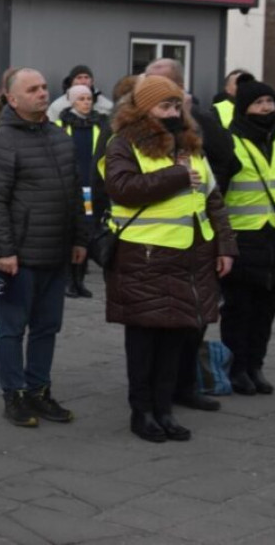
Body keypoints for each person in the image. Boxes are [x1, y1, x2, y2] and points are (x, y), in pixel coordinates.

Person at [103, 75, 235, 442]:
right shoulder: (123, 144)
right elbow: (122, 189)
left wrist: (225, 246)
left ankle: (164, 410)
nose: (173, 112)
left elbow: (213, 201)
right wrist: (176, 175)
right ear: (143, 109)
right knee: (144, 341)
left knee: (175, 337)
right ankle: (141, 412)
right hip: (144, 257)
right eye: (165, 106)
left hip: (190, 257)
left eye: (176, 105)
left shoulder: (192, 145)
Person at [0, 68, 88, 428]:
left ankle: (39, 391)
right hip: (20, 257)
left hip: (56, 252)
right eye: (33, 89)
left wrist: (79, 239)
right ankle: (14, 395)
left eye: (44, 87)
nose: (43, 93)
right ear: (13, 99)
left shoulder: (58, 137)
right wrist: (6, 250)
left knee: (47, 327)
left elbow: (73, 191)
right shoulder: (4, 141)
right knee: (13, 328)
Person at [144, 57, 236, 412]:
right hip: (153, 242)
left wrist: (205, 196)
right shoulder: (131, 127)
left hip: (197, 238)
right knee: (153, 324)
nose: (150, 87)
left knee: (191, 319)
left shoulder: (201, 125)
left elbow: (225, 164)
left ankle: (184, 384)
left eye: (160, 83)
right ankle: (151, 393)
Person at [220, 79, 275, 396]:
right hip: (241, 237)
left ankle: (256, 365)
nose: (266, 108)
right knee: (239, 308)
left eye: (269, 101)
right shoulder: (232, 142)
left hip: (271, 238)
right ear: (244, 108)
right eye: (259, 103)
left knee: (266, 309)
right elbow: (219, 195)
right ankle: (236, 367)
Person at [56, 83, 109, 299]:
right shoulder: (62, 124)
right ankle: (68, 279)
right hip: (72, 185)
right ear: (71, 101)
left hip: (93, 185)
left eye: (89, 99)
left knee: (88, 231)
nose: (86, 103)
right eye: (81, 99)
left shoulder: (100, 124)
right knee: (71, 231)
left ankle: (80, 280)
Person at [46, 64, 114, 121]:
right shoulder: (57, 106)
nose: (83, 81)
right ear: (71, 81)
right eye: (79, 78)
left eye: (86, 77)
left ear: (92, 81)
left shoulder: (105, 105)